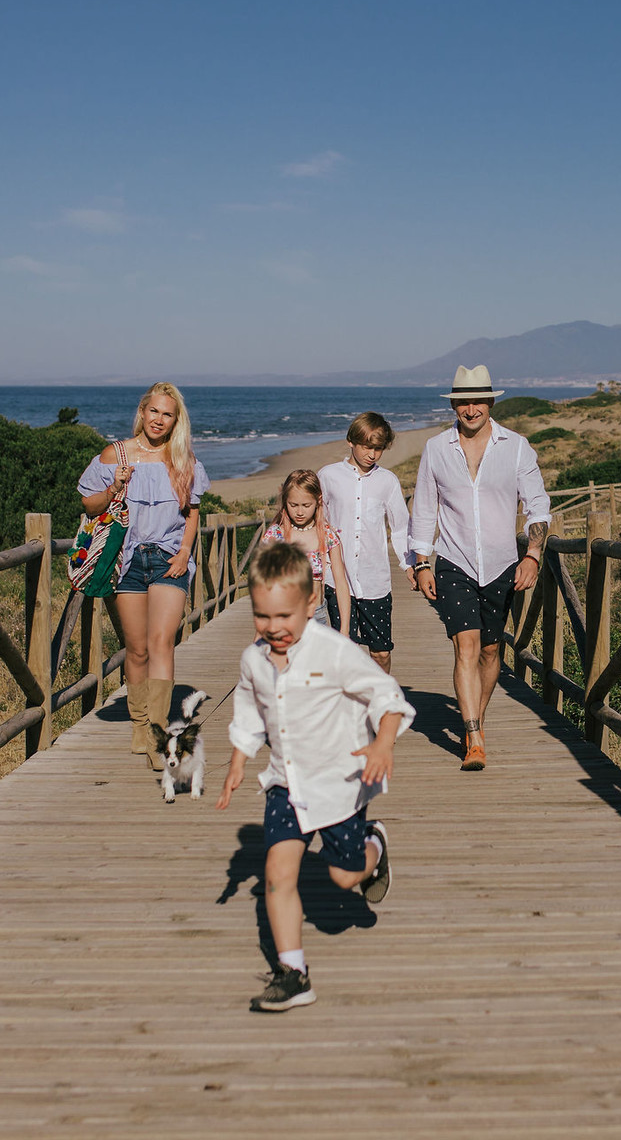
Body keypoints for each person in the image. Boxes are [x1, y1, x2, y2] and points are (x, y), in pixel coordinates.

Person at [215, 542, 412, 1012]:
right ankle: (293, 972)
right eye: (262, 616)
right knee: (278, 875)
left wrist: (384, 742)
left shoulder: (334, 651)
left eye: (284, 616)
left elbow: (386, 694)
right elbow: (249, 707)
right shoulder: (253, 660)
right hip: (286, 783)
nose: (273, 628)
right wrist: (239, 758)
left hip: (339, 784)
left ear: (309, 604)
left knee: (345, 878)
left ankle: (375, 846)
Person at [407, 364, 551, 772]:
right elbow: (423, 509)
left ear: (490, 402)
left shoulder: (516, 446)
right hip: (454, 561)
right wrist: (420, 562)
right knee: (465, 646)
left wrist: (533, 555)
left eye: (478, 401)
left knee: (491, 650)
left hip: (503, 563)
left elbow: (538, 506)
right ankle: (472, 738)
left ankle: (477, 718)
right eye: (463, 402)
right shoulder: (437, 448)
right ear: (454, 404)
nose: (471, 409)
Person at [77, 382, 211, 769]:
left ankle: (157, 734)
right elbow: (89, 503)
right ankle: (139, 725)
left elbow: (192, 512)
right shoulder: (114, 454)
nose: (159, 419)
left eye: (167, 414)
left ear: (175, 420)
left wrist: (186, 552)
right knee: (135, 649)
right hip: (125, 560)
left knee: (161, 641)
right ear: (143, 411)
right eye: (154, 411)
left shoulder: (183, 459)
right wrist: (115, 485)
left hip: (168, 556)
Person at [317, 411, 411, 674]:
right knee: (342, 649)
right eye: (367, 446)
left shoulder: (388, 481)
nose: (372, 454)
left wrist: (411, 565)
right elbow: (316, 521)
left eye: (378, 448)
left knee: (380, 652)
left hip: (374, 581)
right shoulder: (328, 476)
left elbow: (401, 527)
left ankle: (380, 699)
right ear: (351, 441)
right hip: (335, 580)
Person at [261, 470, 352, 635]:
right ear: (285, 501)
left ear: (318, 501)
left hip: (317, 616)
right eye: (293, 505)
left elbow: (341, 583)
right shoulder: (275, 536)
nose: (300, 512)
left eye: (306, 505)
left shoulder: (327, 535)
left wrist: (344, 629)